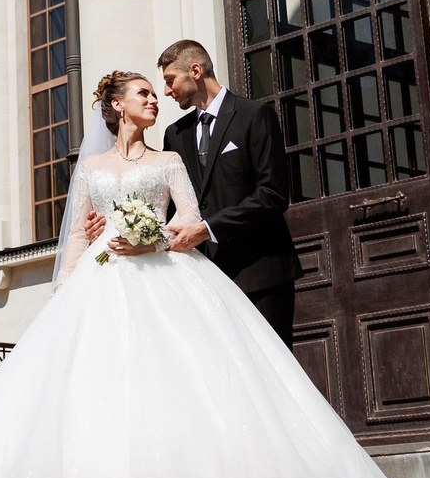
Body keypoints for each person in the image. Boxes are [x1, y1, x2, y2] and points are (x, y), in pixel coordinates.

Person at [0, 70, 403, 478]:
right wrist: (65, 295)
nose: (156, 100)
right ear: (117, 107)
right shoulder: (90, 171)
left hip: (165, 276)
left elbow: (190, 221)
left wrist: (151, 240)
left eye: (158, 92)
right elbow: (81, 241)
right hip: (103, 285)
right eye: (144, 94)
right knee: (106, 401)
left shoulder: (171, 158)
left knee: (168, 388)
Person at [84, 38, 301, 346]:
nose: (167, 92)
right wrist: (111, 225)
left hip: (260, 272)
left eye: (170, 81)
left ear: (195, 71)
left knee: (270, 374)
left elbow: (273, 194)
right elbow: (168, 207)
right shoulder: (177, 133)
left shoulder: (255, 116)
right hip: (202, 277)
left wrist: (207, 229)